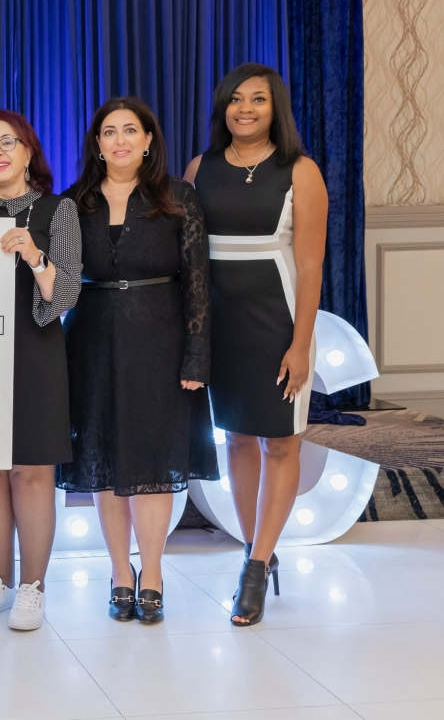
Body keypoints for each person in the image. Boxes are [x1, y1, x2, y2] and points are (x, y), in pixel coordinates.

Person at [57, 96, 216, 624]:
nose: (120, 140)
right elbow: (54, 278)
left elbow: (197, 283)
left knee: (150, 462)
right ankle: (118, 571)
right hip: (92, 342)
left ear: (149, 141)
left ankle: (151, 571)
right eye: (109, 132)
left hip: (162, 342)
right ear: (97, 145)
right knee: (104, 461)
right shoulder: (74, 202)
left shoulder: (179, 197)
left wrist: (197, 357)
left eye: (131, 130)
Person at [185, 63, 327, 626]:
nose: (246, 108)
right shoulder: (201, 168)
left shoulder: (301, 171)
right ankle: (256, 553)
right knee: (238, 441)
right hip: (218, 321)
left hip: (277, 317)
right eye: (236, 99)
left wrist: (301, 345)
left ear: (276, 109)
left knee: (281, 444)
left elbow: (311, 264)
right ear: (223, 107)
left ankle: (257, 565)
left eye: (259, 100)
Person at [0, 109, 81, 631]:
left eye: (8, 142)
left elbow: (66, 294)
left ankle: (33, 587)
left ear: (29, 151)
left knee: (32, 472)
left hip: (36, 350)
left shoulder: (60, 209)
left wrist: (33, 255)